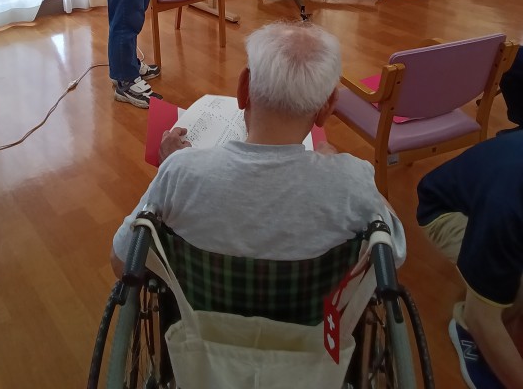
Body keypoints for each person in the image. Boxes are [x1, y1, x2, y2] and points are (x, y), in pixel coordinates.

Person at [111, 21, 405, 275]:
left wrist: (177, 162)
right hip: (314, 324)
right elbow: (394, 253)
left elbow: (121, 261)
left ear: (243, 89)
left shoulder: (179, 170)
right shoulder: (352, 181)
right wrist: (342, 169)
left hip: (198, 324)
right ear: (327, 108)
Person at [417, 135, 523, 389]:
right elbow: (482, 317)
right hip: (444, 211)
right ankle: (466, 330)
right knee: (513, 289)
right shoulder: (505, 207)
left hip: (489, 192)